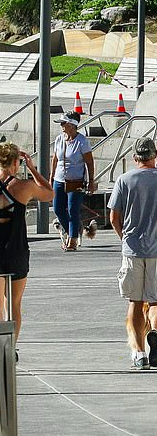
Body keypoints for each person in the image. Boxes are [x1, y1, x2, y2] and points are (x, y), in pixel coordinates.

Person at [108, 138, 157, 370]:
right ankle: (154, 330)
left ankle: (139, 353)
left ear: (135, 158)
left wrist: (124, 237)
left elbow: (114, 217)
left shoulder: (125, 180)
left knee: (135, 301)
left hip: (133, 247)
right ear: (155, 157)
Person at [0, 142, 53, 354]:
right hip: (16, 251)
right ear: (16, 162)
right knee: (14, 306)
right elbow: (49, 193)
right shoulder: (23, 186)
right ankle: (10, 348)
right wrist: (32, 168)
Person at [50, 111, 96, 252]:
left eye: (64, 123)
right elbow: (55, 159)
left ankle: (73, 240)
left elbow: (89, 162)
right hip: (59, 179)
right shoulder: (59, 139)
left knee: (72, 210)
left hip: (76, 180)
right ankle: (73, 230)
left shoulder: (82, 141)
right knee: (58, 209)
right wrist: (51, 176)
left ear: (72, 125)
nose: (62, 126)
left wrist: (91, 180)